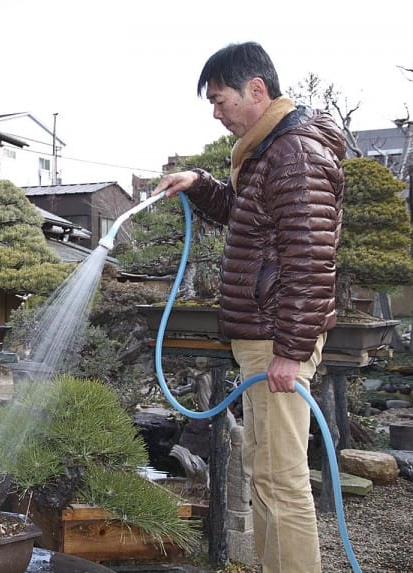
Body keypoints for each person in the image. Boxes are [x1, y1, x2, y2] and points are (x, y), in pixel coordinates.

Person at [154, 42, 345, 573]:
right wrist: (201, 185)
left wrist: (290, 351)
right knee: (265, 471)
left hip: (276, 342)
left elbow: (309, 260)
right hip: (263, 339)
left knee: (282, 479)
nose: (216, 114)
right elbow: (250, 217)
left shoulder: (293, 153)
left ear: (256, 90)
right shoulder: (267, 151)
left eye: (220, 101)